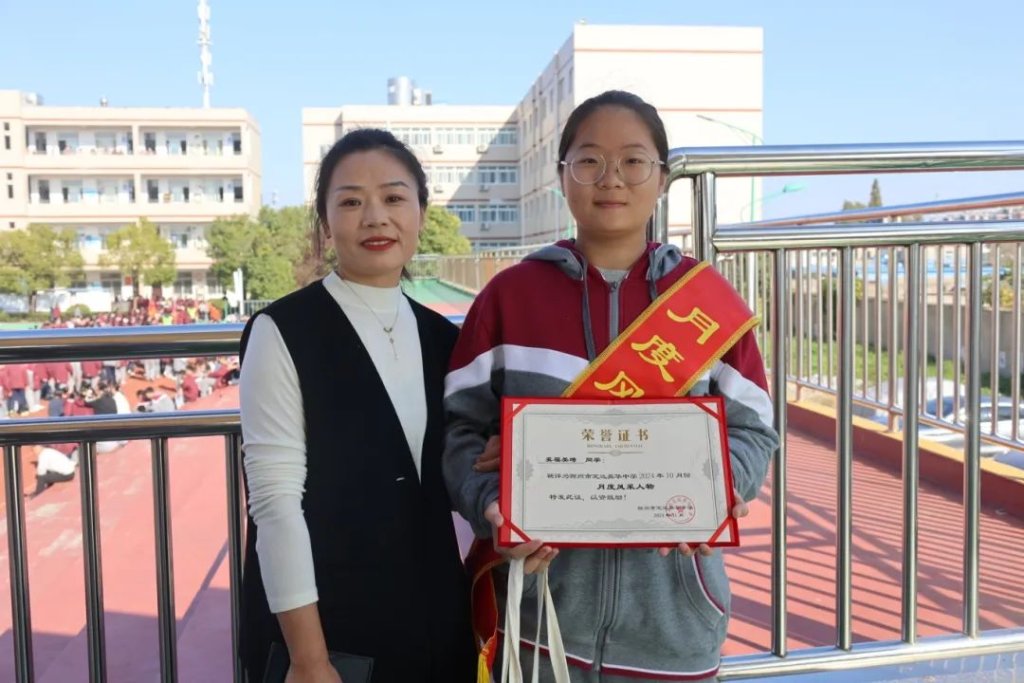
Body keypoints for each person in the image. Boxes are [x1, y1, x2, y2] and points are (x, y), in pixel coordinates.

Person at [443, 91, 780, 683]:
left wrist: (718, 486)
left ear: (662, 178)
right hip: (538, 622)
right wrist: (493, 505)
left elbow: (754, 430)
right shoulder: (509, 298)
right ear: (562, 177)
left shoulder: (705, 303)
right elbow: (461, 432)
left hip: (673, 628)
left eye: (633, 161)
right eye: (590, 160)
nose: (611, 179)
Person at [238, 128, 475, 683]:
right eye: (350, 202)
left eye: (394, 198)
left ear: (420, 213)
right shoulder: (283, 330)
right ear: (325, 223)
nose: (375, 217)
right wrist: (308, 658)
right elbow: (275, 503)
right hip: (329, 633)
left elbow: (462, 471)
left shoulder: (445, 338)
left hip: (437, 622)